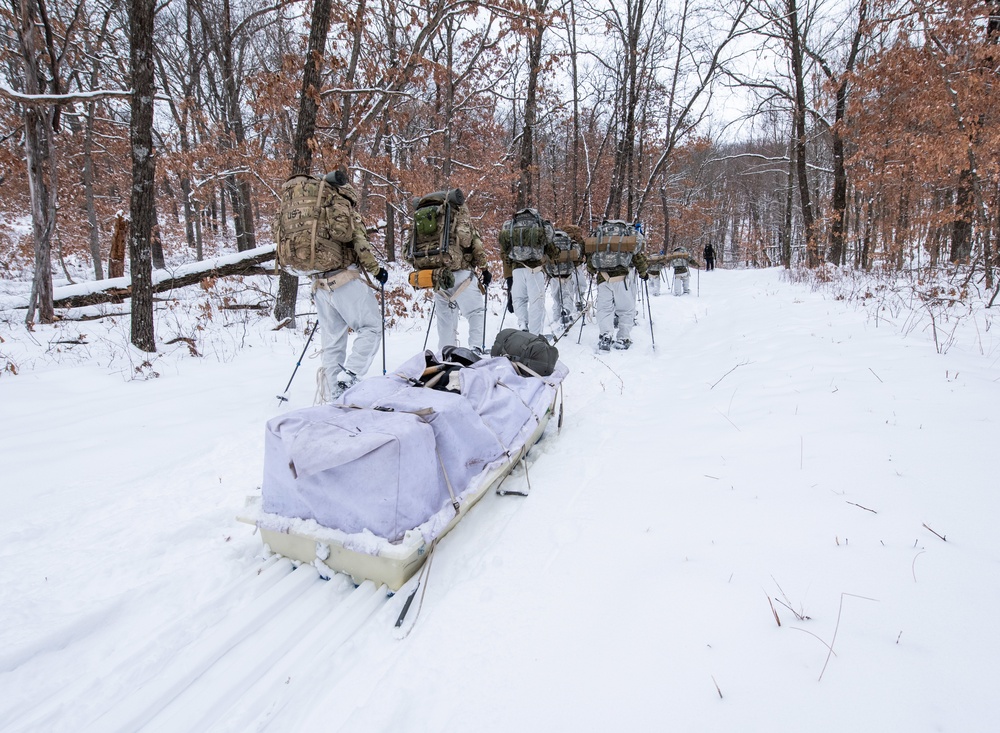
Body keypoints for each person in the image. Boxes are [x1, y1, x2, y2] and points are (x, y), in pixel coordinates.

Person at [310, 171, 388, 399]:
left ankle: (335, 395)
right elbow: (360, 244)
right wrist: (376, 271)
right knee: (372, 327)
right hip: (345, 280)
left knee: (333, 341)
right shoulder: (343, 211)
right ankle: (350, 375)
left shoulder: (315, 214)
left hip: (319, 284)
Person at [429, 194, 491, 353]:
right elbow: (477, 248)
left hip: (438, 276)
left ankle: (446, 351)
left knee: (445, 320)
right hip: (463, 276)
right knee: (475, 312)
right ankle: (476, 348)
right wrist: (484, 269)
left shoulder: (431, 225)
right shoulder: (461, 222)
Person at [586, 219, 648, 351]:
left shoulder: (600, 234)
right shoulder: (626, 235)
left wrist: (591, 270)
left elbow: (592, 254)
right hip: (622, 277)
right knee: (625, 309)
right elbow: (635, 255)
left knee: (604, 309)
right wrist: (643, 272)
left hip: (603, 277)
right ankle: (623, 338)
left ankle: (605, 336)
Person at [500, 208, 554, 335]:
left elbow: (505, 252)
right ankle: (535, 336)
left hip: (516, 270)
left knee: (519, 299)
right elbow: (551, 250)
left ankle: (523, 324)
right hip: (535, 269)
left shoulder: (512, 226)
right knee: (536, 303)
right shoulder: (539, 225)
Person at [544, 227, 586, 331]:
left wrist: (547, 271)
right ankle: (566, 311)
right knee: (567, 295)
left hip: (554, 275)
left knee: (556, 298)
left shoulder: (549, 241)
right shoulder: (570, 242)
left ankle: (556, 319)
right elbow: (577, 256)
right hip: (567, 274)